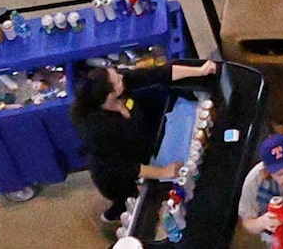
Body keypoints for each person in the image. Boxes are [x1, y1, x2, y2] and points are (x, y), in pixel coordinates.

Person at [77, 52, 224, 230]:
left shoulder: (122, 83)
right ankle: (114, 214)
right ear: (110, 96)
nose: (122, 77)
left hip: (138, 147)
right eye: (117, 80)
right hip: (115, 174)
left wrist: (200, 71)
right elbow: (125, 167)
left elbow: (157, 73)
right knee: (129, 197)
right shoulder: (96, 130)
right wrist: (164, 172)